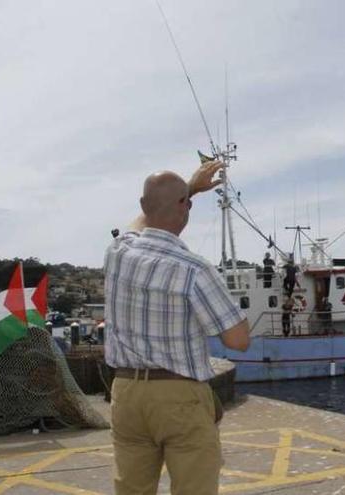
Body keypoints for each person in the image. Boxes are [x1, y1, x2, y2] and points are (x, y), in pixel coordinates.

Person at [104, 160, 250, 495]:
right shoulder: (195, 269)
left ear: (143, 205)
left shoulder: (118, 251)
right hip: (179, 396)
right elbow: (238, 340)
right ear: (185, 208)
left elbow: (139, 222)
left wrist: (189, 188)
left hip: (126, 392)